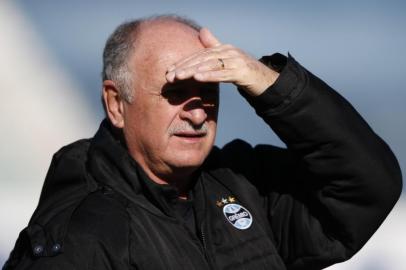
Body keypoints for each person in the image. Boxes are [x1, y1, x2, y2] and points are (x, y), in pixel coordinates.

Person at [3, 15, 402, 270]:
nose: (197, 113)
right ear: (116, 103)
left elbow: (368, 187)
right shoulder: (81, 233)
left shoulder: (243, 187)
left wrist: (268, 82)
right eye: (175, 93)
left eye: (209, 92)